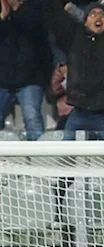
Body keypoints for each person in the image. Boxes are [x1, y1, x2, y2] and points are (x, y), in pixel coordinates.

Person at [44, 0, 104, 140]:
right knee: (65, 156)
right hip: (79, 112)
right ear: (85, 22)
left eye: (102, 14)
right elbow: (56, 16)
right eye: (92, 14)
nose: (98, 17)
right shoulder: (73, 38)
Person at [0, 0, 51, 141]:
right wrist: (3, 17)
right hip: (2, 80)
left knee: (32, 117)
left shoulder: (36, 8)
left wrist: (14, 10)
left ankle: (38, 159)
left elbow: (40, 39)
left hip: (30, 78)